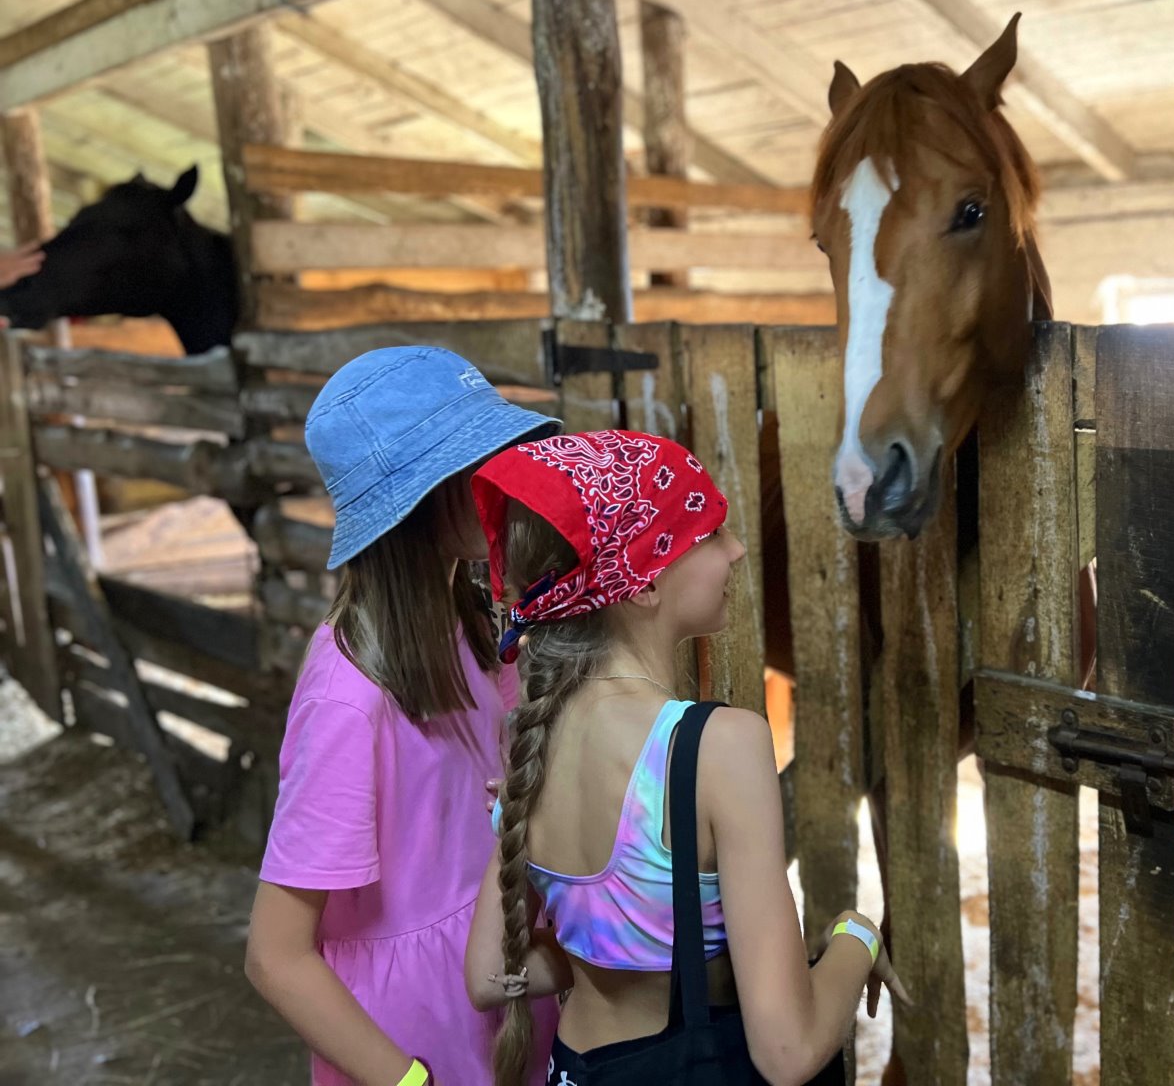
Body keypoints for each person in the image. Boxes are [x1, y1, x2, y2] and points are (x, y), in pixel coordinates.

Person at [464, 429, 909, 1086]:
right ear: (643, 584)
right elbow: (787, 1055)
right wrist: (857, 935)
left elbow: (487, 977)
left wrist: (606, 957)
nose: (736, 552)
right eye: (709, 535)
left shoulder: (534, 735)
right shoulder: (718, 745)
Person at [244, 346, 562, 1086]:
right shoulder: (349, 697)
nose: (500, 476)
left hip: (502, 999)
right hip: (416, 1040)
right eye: (476, 461)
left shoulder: (477, 630)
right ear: (421, 497)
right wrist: (409, 1081)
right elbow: (275, 955)